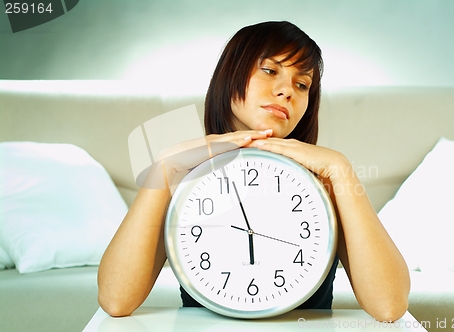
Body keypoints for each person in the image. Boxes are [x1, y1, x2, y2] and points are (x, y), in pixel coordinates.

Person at [97, 21, 410, 322]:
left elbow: (389, 306)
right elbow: (116, 300)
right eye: (270, 70)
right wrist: (164, 167)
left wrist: (342, 170)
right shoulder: (183, 176)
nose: (287, 91)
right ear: (230, 73)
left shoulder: (324, 182)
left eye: (302, 85)